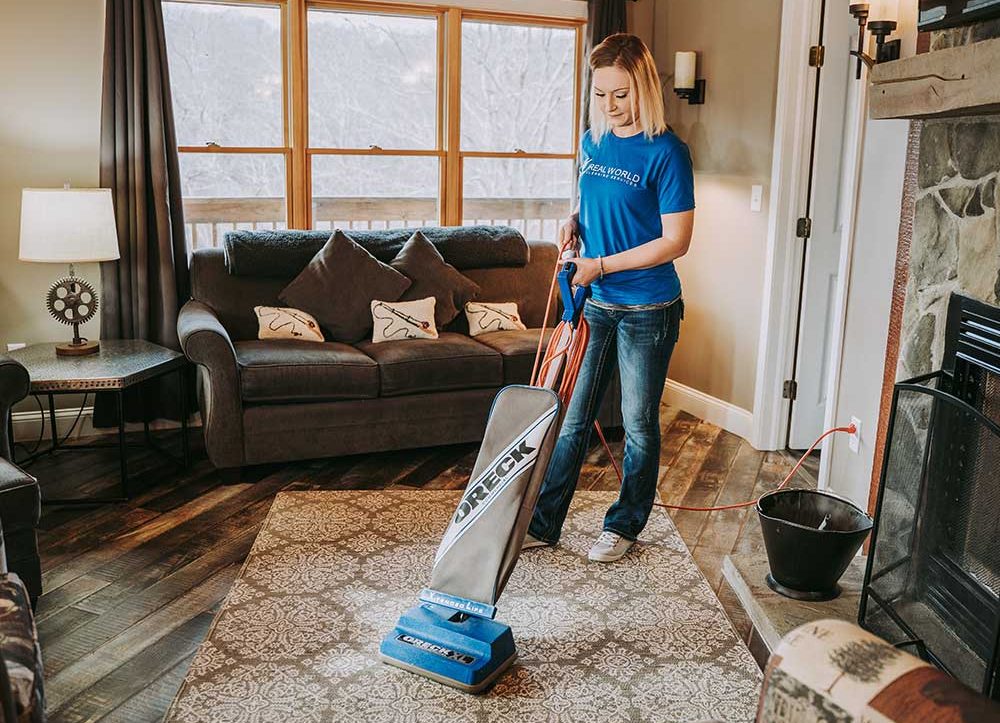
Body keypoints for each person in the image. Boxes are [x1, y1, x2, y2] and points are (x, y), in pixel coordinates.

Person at [525, 33, 695, 562]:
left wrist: (601, 265)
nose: (610, 105)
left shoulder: (668, 152)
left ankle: (623, 525)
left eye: (621, 94)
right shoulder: (592, 142)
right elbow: (597, 202)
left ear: (643, 88)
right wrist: (575, 223)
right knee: (572, 418)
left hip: (648, 308)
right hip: (596, 302)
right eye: (600, 94)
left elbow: (676, 241)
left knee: (639, 424)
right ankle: (543, 524)